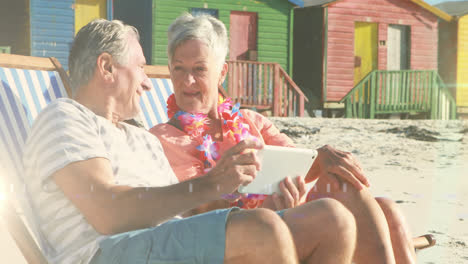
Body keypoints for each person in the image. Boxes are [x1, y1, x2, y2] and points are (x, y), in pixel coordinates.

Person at [22, 18, 358, 264]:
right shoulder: (65, 117)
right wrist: (212, 184)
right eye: (140, 67)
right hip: (105, 251)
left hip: (162, 245)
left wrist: (263, 204)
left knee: (332, 220)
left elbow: (182, 221)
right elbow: (107, 212)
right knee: (261, 230)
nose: (148, 83)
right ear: (107, 67)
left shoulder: (140, 138)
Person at [150, 13, 417, 264]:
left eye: (199, 69)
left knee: (378, 204)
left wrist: (322, 158)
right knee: (336, 214)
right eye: (179, 69)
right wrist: (266, 210)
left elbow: (300, 164)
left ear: (222, 73)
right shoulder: (164, 139)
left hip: (286, 220)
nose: (187, 81)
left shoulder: (249, 122)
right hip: (234, 240)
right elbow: (202, 211)